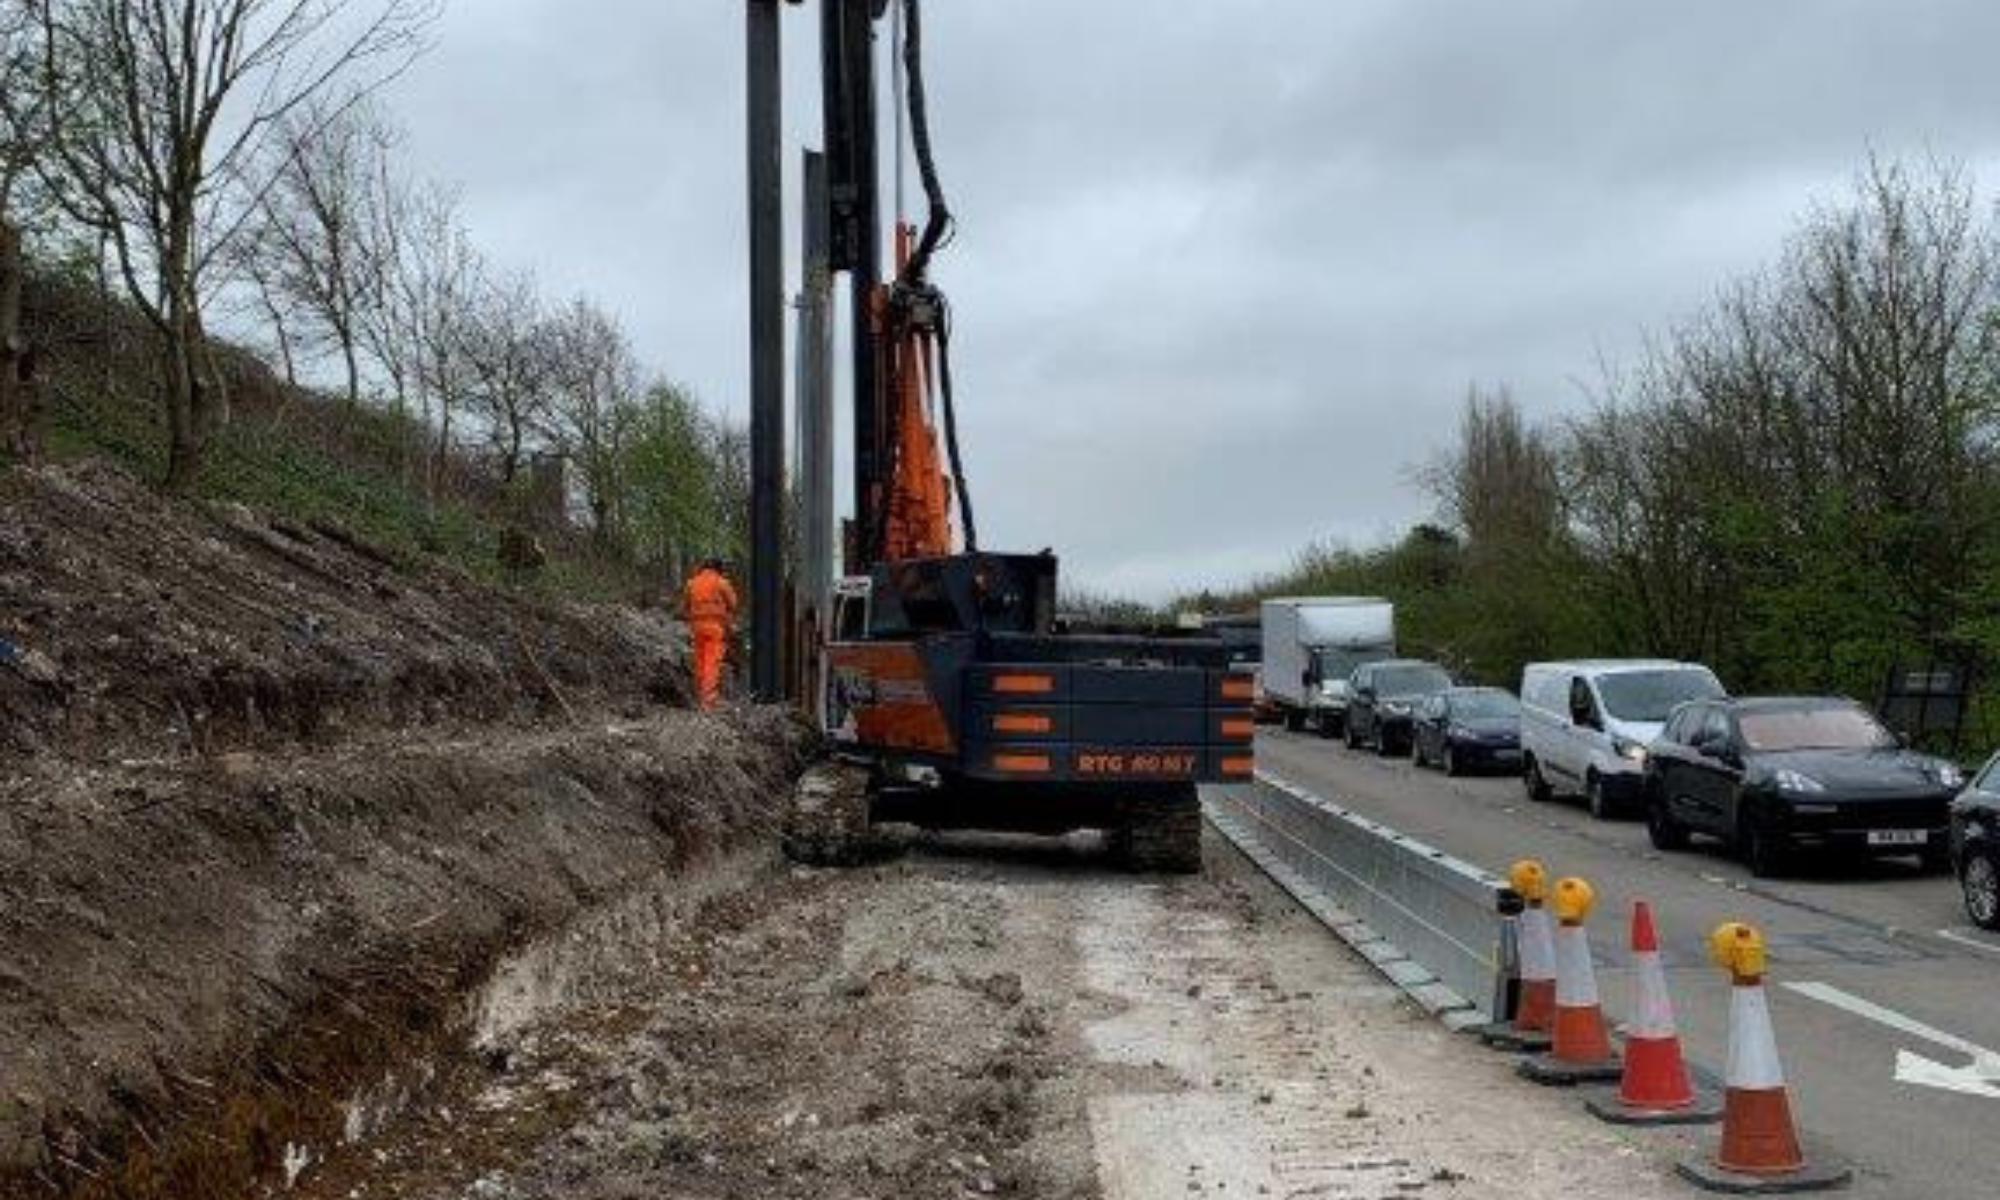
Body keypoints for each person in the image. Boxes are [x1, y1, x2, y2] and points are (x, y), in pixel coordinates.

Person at [681, 556, 739, 709]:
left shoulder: (691, 583)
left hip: (696, 627)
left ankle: (699, 697)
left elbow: (684, 606)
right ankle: (708, 700)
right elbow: (733, 604)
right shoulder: (722, 583)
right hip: (714, 627)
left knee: (699, 661)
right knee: (711, 662)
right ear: (719, 568)